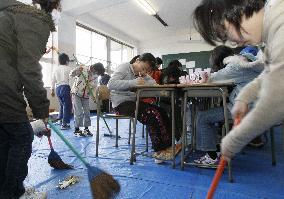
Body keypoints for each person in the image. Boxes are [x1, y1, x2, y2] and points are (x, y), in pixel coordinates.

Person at [193, 0, 284, 162]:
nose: (235, 43)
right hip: (252, 105)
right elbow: (268, 75)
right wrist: (244, 97)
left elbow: (276, 100)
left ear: (234, 15)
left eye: (227, 34)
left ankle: (211, 155)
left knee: (204, 118)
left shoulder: (280, 24)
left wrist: (236, 138)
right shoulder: (269, 34)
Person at [0, 0, 61, 198]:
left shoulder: (10, 13)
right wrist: (42, 112)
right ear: (53, 6)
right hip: (3, 83)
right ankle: (14, 193)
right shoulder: (34, 20)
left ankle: (4, 190)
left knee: (5, 138)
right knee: (21, 137)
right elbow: (29, 69)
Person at [191, 45, 264, 167]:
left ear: (220, 61)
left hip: (246, 109)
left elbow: (212, 78)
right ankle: (216, 148)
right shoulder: (250, 61)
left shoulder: (235, 66)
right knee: (213, 113)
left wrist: (202, 76)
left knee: (202, 117)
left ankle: (212, 157)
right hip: (257, 106)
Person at [108, 53, 181, 163]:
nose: (144, 71)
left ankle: (168, 146)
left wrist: (145, 76)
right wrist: (134, 82)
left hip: (133, 102)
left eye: (147, 70)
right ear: (137, 60)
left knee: (161, 111)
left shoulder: (141, 74)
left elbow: (153, 83)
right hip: (121, 104)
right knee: (153, 113)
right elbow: (111, 84)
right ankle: (159, 151)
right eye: (143, 67)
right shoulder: (125, 67)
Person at [70, 63, 99, 137]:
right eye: (94, 71)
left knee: (87, 112)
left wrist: (94, 97)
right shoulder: (83, 69)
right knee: (78, 112)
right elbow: (71, 74)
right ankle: (77, 130)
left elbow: (94, 87)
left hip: (86, 95)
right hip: (76, 93)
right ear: (92, 67)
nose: (94, 73)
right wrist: (77, 70)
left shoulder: (95, 76)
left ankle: (86, 129)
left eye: (96, 72)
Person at [51, 53, 73, 130]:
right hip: (65, 88)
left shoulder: (56, 69)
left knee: (62, 105)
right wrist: (72, 91)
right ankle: (65, 124)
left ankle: (60, 120)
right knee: (68, 106)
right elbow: (71, 81)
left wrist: (52, 90)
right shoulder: (69, 69)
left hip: (58, 89)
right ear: (67, 61)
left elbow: (53, 80)